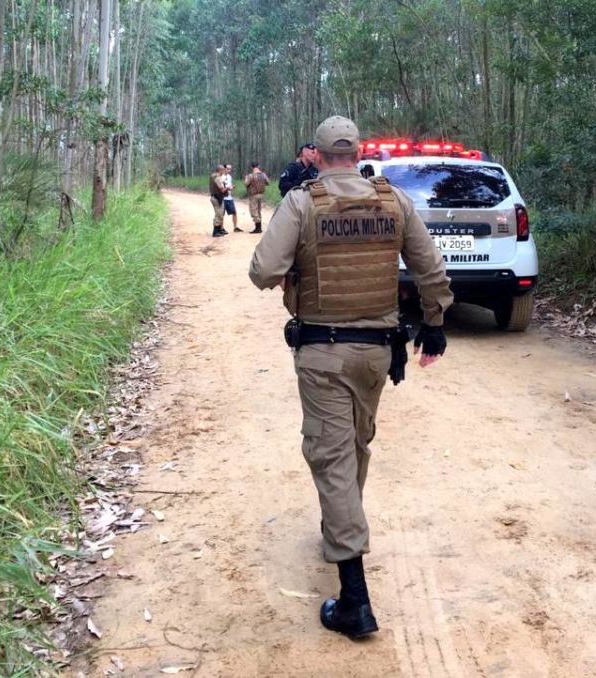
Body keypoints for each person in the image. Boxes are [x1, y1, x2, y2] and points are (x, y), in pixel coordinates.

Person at [249, 116, 454, 638]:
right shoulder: (394, 202)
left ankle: (354, 600)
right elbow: (431, 270)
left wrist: (295, 260)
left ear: (316, 156)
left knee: (333, 455)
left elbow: (262, 272)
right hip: (378, 355)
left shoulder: (303, 202)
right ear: (356, 152)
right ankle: (339, 526)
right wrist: (434, 326)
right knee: (355, 446)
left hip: (324, 352)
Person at [244, 162, 270, 233]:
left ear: (251, 167)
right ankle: (259, 227)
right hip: (261, 194)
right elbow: (268, 182)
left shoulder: (250, 176)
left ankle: (258, 228)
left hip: (253, 195)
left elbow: (246, 183)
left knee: (254, 210)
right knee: (258, 210)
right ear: (258, 166)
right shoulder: (263, 175)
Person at [208, 164, 228, 237]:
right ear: (220, 170)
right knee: (219, 214)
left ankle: (219, 230)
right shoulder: (217, 177)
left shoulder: (214, 176)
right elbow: (221, 189)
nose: (224, 171)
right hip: (217, 197)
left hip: (217, 197)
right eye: (223, 169)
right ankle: (215, 231)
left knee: (221, 213)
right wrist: (228, 188)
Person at [221, 164, 242, 233]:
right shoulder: (221, 176)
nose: (229, 170)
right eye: (228, 168)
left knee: (234, 212)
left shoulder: (229, 177)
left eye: (230, 169)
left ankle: (235, 227)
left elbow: (229, 186)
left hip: (229, 197)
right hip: (222, 197)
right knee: (221, 214)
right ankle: (221, 228)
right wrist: (228, 188)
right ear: (224, 169)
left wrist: (232, 187)